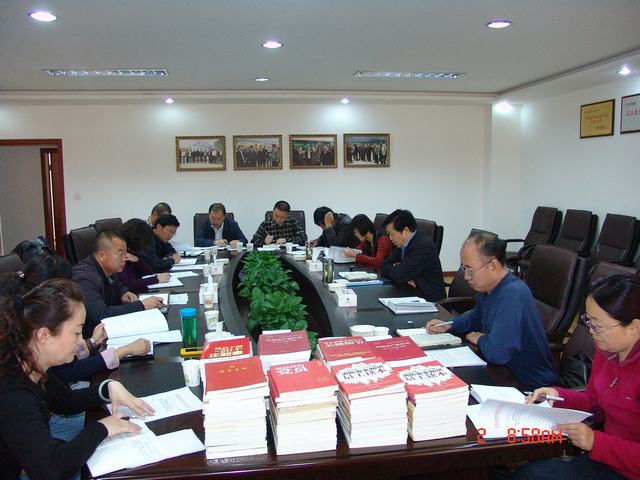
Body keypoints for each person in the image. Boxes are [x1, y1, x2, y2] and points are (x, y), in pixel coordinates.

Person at [0, 278, 155, 480]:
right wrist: (103, 428)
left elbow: (65, 401)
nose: (81, 342)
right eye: (76, 332)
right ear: (44, 335)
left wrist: (108, 388)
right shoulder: (13, 393)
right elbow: (51, 471)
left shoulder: (31, 364)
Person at [510, 274, 640, 480]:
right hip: (607, 459)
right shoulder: (608, 351)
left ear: (634, 327)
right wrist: (557, 396)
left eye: (598, 325)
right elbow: (595, 403)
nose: (591, 331)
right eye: (588, 321)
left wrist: (596, 442)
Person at [427, 231, 558, 389]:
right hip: (503, 372)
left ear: (493, 265)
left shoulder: (511, 295)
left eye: (470, 270)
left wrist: (481, 339)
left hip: (529, 385)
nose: (466, 276)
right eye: (464, 268)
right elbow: (477, 317)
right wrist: (450, 324)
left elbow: (498, 353)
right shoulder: (488, 288)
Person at [72, 230, 163, 336]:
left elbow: (117, 283)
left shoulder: (106, 268)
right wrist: (141, 305)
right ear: (102, 255)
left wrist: (123, 292)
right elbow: (100, 314)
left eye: (125, 253)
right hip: (93, 336)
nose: (124, 258)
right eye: (120, 254)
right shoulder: (85, 278)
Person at [380, 209, 446, 302]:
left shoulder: (423, 246)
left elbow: (399, 275)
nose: (390, 238)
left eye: (392, 234)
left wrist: (401, 271)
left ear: (405, 230)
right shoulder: (403, 243)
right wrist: (403, 273)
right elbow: (384, 266)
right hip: (412, 292)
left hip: (430, 300)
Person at [118, 218, 170, 294]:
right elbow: (128, 284)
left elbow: (148, 273)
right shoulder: (120, 256)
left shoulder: (133, 252)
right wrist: (156, 279)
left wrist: (138, 260)